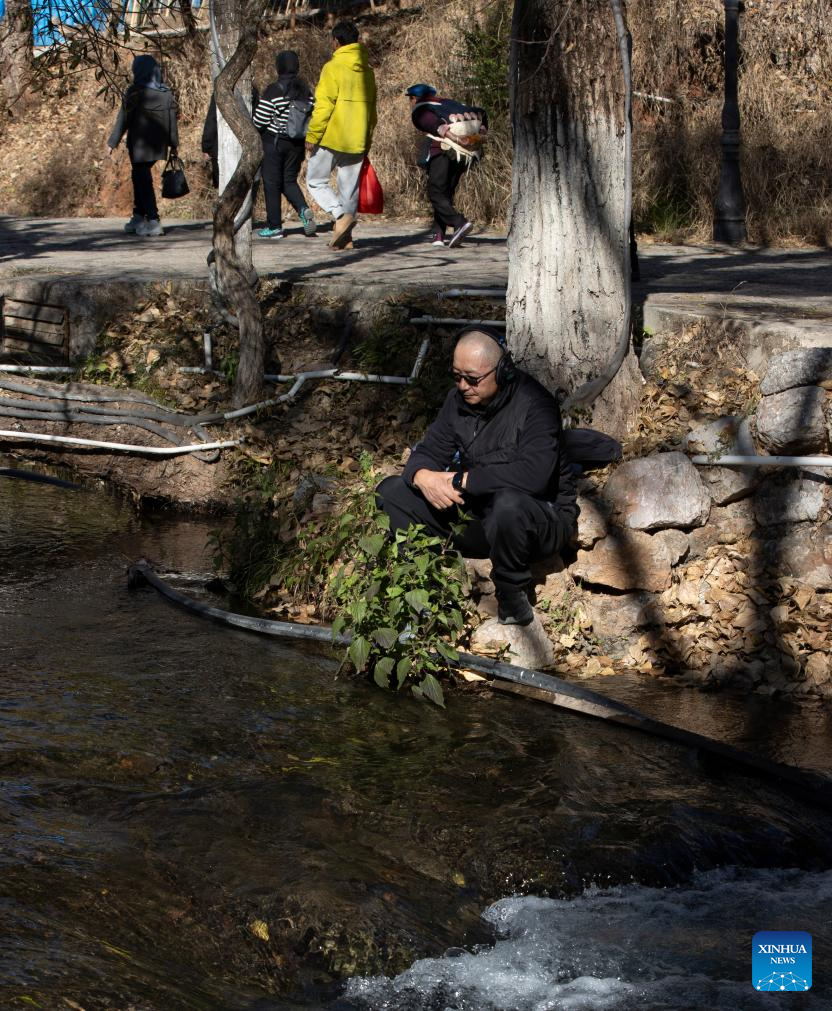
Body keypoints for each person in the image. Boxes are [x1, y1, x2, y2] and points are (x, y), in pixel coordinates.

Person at [377, 327, 578, 626]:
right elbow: (429, 451)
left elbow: (533, 477)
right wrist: (423, 477)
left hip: (538, 521)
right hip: (481, 518)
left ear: (503, 371)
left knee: (508, 505)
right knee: (391, 491)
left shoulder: (537, 405)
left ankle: (512, 595)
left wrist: (460, 480)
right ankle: (426, 593)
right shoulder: (457, 401)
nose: (462, 386)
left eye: (472, 379)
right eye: (456, 376)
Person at [305, 21, 377, 250]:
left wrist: (312, 134)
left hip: (332, 136)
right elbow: (372, 110)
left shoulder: (332, 68)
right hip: (357, 139)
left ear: (336, 42)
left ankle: (339, 216)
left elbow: (324, 106)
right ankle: (344, 239)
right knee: (349, 189)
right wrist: (367, 138)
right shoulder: (368, 71)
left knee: (315, 180)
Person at [405, 83, 487, 249]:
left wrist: (458, 139)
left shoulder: (421, 109)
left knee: (435, 191)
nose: (410, 103)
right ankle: (439, 234)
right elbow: (482, 114)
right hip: (466, 155)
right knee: (446, 192)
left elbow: (438, 126)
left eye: (411, 99)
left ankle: (459, 222)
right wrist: (479, 136)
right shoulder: (449, 103)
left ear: (414, 98)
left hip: (443, 151)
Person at [107, 55, 179, 238]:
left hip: (139, 145)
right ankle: (138, 217)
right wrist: (174, 144)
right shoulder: (166, 92)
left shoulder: (134, 91)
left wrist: (112, 142)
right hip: (159, 145)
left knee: (142, 178)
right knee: (139, 176)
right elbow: (172, 121)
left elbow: (123, 119)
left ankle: (153, 220)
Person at [252, 50, 317, 239]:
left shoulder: (274, 89)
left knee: (272, 183)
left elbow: (259, 120)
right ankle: (303, 209)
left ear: (279, 67)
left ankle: (274, 227)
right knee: (288, 180)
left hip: (274, 143)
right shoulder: (306, 90)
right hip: (297, 144)